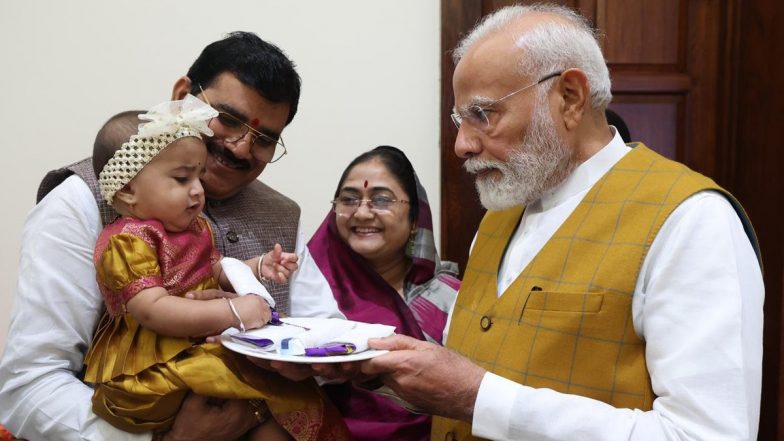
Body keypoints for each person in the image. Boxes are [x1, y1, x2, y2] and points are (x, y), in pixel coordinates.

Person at [358, 4, 764, 441]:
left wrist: (480, 399)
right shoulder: (497, 219)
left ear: (569, 97)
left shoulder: (691, 221)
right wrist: (372, 371)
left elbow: (706, 435)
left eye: (483, 114)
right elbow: (479, 373)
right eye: (461, 120)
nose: (462, 145)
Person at [0, 32, 305, 441]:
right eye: (227, 119)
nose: (240, 147)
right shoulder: (81, 201)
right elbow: (28, 386)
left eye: (265, 138)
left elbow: (324, 335)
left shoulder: (282, 215)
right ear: (183, 95)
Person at [84, 99, 348, 441]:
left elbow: (214, 271)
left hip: (190, 354)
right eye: (181, 178)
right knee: (269, 387)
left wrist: (258, 266)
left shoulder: (194, 230)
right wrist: (232, 311)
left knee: (279, 395)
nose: (197, 188)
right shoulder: (128, 241)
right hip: (150, 369)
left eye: (197, 174)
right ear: (127, 191)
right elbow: (152, 310)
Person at [285, 145, 460, 440]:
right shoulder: (306, 290)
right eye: (349, 199)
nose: (362, 212)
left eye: (381, 199)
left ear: (415, 218)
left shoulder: (449, 299)